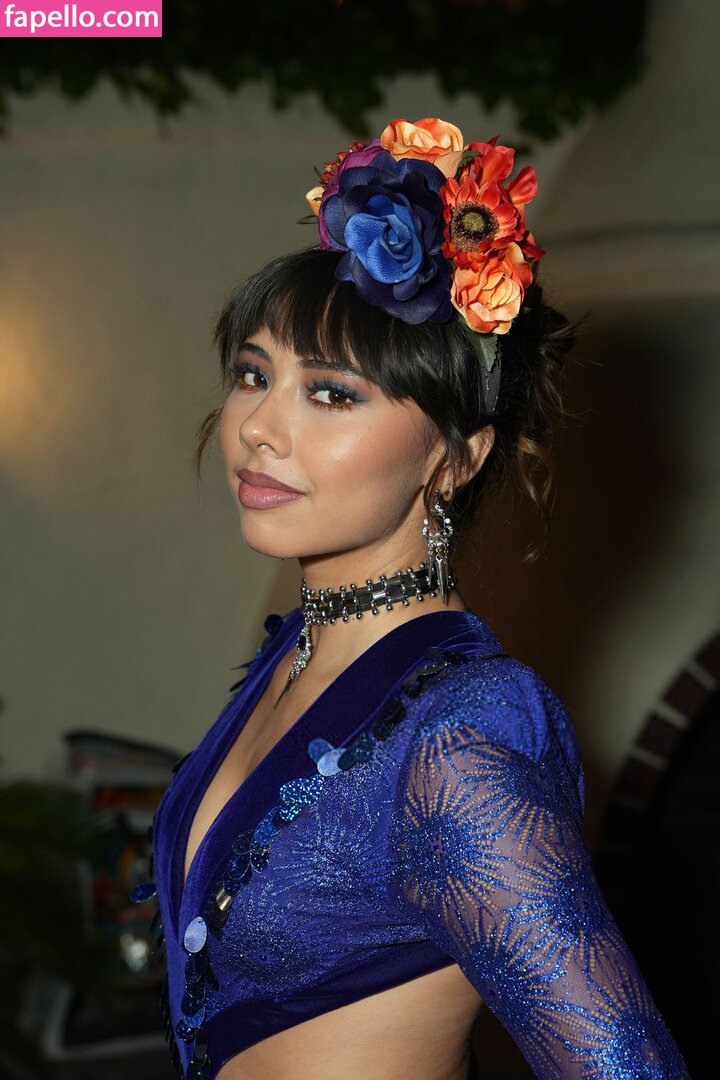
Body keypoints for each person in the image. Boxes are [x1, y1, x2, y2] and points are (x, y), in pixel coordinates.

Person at [134, 118, 689, 1079]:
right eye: (254, 375)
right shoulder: (299, 653)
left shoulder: (456, 735)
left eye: (332, 394)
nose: (259, 427)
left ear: (456, 457)